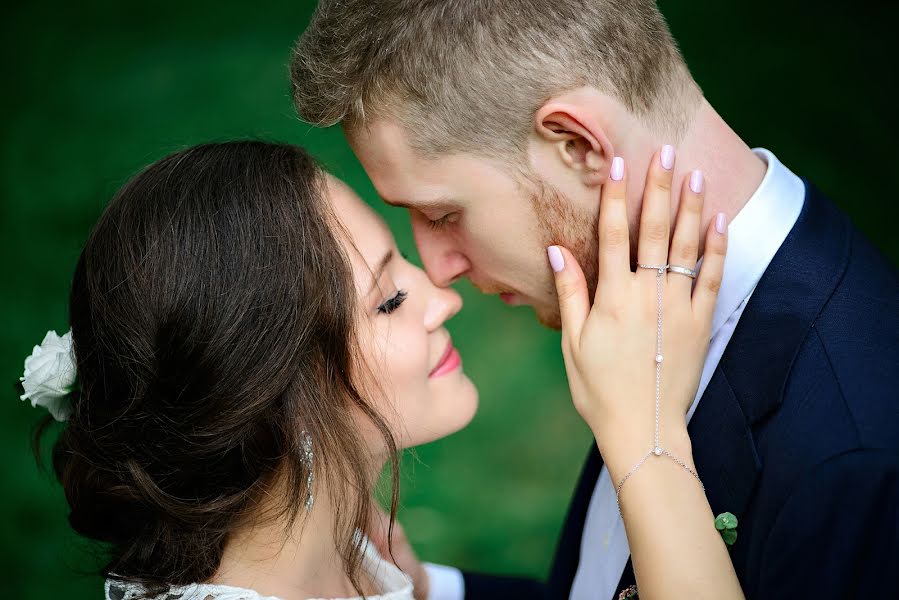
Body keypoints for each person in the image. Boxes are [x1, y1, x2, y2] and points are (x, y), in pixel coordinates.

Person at [291, 1, 899, 598]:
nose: (439, 270)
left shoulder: (855, 460)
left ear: (579, 146)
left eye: (443, 213)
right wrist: (429, 590)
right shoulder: (638, 312)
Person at [21, 140, 734, 599]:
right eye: (388, 300)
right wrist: (648, 438)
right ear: (279, 398)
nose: (444, 299)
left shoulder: (341, 554)